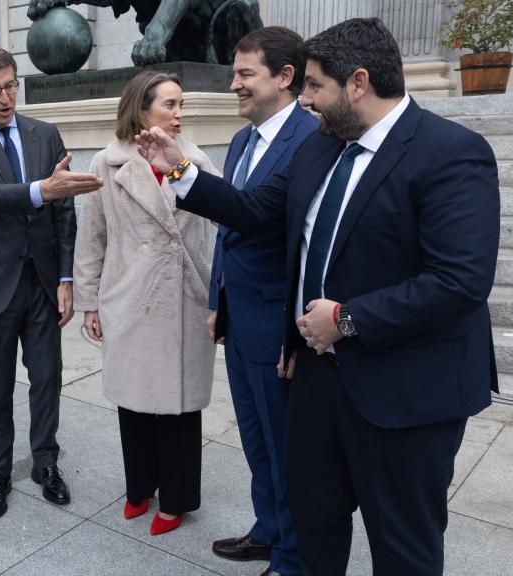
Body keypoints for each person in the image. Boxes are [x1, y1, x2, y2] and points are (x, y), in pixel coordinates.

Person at [138, 17, 499, 576]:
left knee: (402, 543)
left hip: (406, 392)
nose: (303, 100)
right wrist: (180, 169)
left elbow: (460, 282)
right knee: (314, 522)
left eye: (312, 86)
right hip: (318, 378)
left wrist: (347, 319)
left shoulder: (452, 153)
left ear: (357, 83)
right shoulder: (323, 149)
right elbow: (255, 213)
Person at [0, 45, 101, 520]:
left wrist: (68, 277)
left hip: (44, 279)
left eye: (11, 85)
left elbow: (64, 212)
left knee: (47, 376)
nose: (6, 97)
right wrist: (42, 190)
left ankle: (46, 464)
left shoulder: (44, 133)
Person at [73, 71, 217, 536]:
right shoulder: (107, 163)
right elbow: (92, 238)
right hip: (130, 295)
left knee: (177, 408)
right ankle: (140, 489)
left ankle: (176, 498)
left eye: (181, 105)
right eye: (169, 105)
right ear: (141, 110)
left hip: (183, 298)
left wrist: (218, 299)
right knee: (134, 401)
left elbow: (219, 236)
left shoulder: (197, 162)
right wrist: (89, 301)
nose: (179, 115)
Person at [207, 27, 317, 576]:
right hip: (238, 315)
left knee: (283, 446)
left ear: (285, 77)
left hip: (278, 323)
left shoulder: (312, 140)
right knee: (254, 439)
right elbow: (229, 230)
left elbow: (300, 241)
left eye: (245, 73)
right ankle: (268, 531)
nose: (234, 85)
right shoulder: (242, 140)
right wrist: (216, 299)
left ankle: (293, 556)